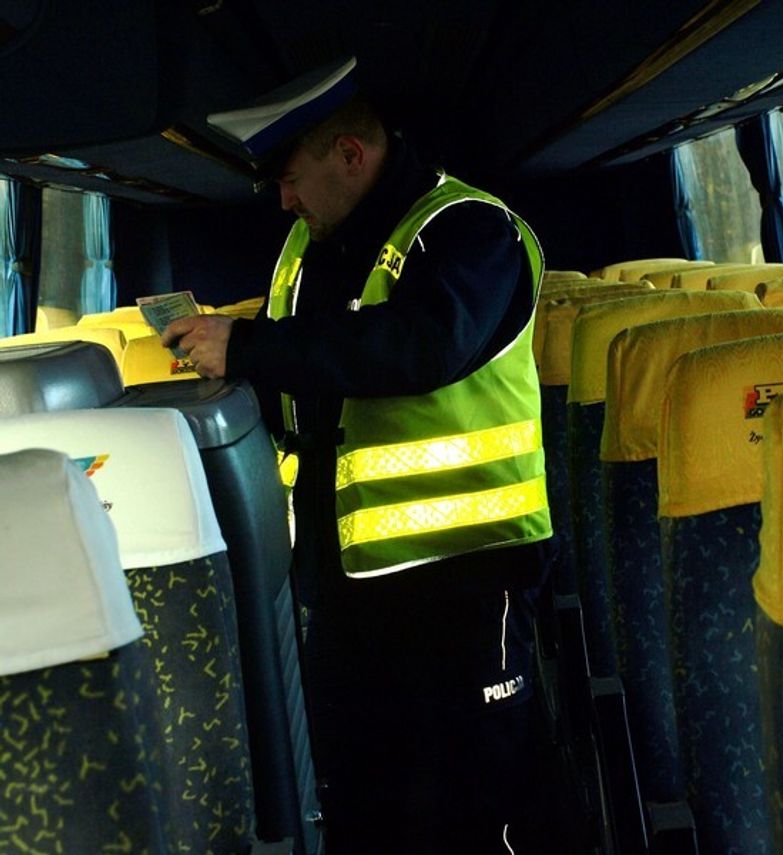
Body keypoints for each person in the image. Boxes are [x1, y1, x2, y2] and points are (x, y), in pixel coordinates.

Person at [163, 58, 558, 853]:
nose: (283, 198)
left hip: (462, 580)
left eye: (290, 175)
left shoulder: (470, 230)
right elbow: (302, 384)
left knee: (477, 809)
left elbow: (419, 346)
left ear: (350, 155)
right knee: (367, 807)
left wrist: (249, 344)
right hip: (343, 589)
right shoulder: (307, 252)